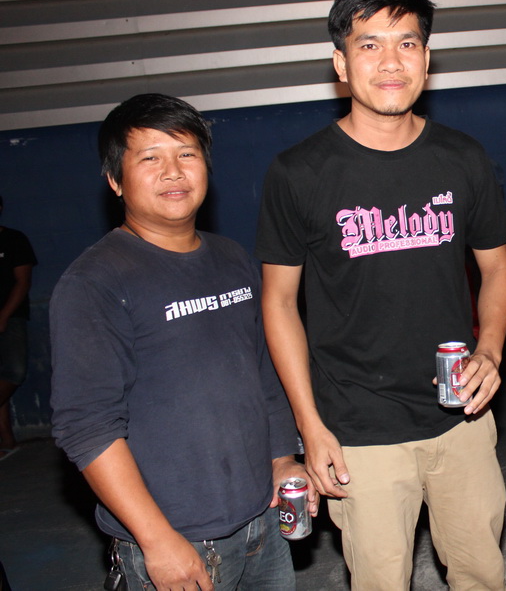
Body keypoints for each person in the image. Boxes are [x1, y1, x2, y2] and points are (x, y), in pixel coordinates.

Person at [256, 0, 506, 590]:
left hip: (460, 416)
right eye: (369, 45)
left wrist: (489, 349)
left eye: (407, 43)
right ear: (340, 64)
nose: (391, 62)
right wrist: (309, 426)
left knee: (482, 574)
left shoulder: (463, 157)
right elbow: (279, 303)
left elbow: (498, 268)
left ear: (427, 58)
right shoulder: (299, 173)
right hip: (358, 428)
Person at [50, 94, 312, 591]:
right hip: (176, 541)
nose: (173, 171)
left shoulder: (232, 258)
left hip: (263, 522)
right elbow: (86, 426)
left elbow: (263, 373)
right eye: (150, 158)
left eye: (187, 154)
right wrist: (155, 539)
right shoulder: (95, 282)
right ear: (115, 180)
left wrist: (282, 458)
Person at [0, 194, 36, 460]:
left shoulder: (14, 239)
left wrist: (4, 315)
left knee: (14, 371)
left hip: (11, 317)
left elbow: (23, 282)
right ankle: (8, 441)